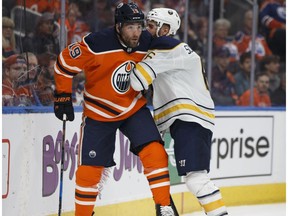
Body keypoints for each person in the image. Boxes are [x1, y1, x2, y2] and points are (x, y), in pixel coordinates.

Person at [53, 3, 177, 216]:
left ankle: (164, 206)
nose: (136, 33)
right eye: (130, 27)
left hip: (133, 108)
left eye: (139, 27)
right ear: (118, 26)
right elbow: (64, 63)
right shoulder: (96, 42)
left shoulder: (148, 41)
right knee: (89, 172)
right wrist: (62, 95)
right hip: (98, 112)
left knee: (155, 153)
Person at [130, 8, 228, 216]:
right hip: (188, 118)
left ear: (165, 30)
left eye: (150, 26)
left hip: (189, 118)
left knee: (196, 178)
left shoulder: (166, 47)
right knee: (190, 176)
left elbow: (136, 81)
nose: (144, 31)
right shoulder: (172, 49)